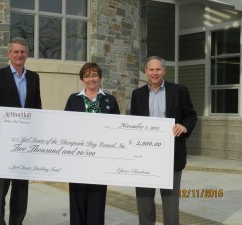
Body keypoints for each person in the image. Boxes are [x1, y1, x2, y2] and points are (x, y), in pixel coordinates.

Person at [0, 37, 42, 225]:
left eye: (22, 52)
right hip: (2, 145)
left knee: (21, 191)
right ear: (9, 54)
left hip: (24, 144)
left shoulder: (34, 77)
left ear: (27, 54)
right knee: (0, 191)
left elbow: (37, 111)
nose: (19, 55)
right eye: (15, 52)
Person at [130, 56, 197, 225]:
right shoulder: (137, 94)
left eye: (158, 69)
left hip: (171, 156)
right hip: (144, 158)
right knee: (144, 202)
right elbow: (134, 123)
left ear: (164, 71)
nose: (154, 73)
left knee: (170, 204)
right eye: (151, 69)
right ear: (146, 71)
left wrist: (184, 127)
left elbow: (190, 115)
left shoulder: (179, 91)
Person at [65, 62, 120, 225]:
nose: (91, 79)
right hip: (77, 160)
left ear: (100, 78)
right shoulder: (73, 99)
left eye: (94, 75)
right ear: (82, 79)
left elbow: (117, 130)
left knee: (96, 203)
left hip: (100, 161)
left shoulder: (109, 100)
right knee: (77, 202)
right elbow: (65, 127)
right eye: (87, 75)